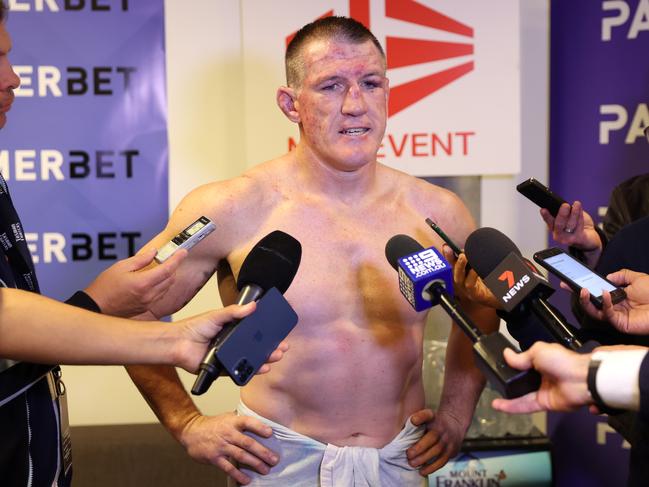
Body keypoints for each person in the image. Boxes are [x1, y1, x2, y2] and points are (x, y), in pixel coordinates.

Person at [125, 16, 499, 486]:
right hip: (278, 461)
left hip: (400, 461)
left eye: (369, 83)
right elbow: (132, 310)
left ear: (388, 91)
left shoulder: (437, 212)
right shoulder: (232, 207)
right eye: (330, 86)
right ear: (290, 104)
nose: (355, 105)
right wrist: (187, 422)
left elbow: (482, 308)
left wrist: (455, 414)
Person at [0, 6, 287, 486]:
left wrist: (97, 301)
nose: (14, 79)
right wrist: (175, 345)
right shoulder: (233, 204)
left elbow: (18, 338)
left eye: (371, 83)